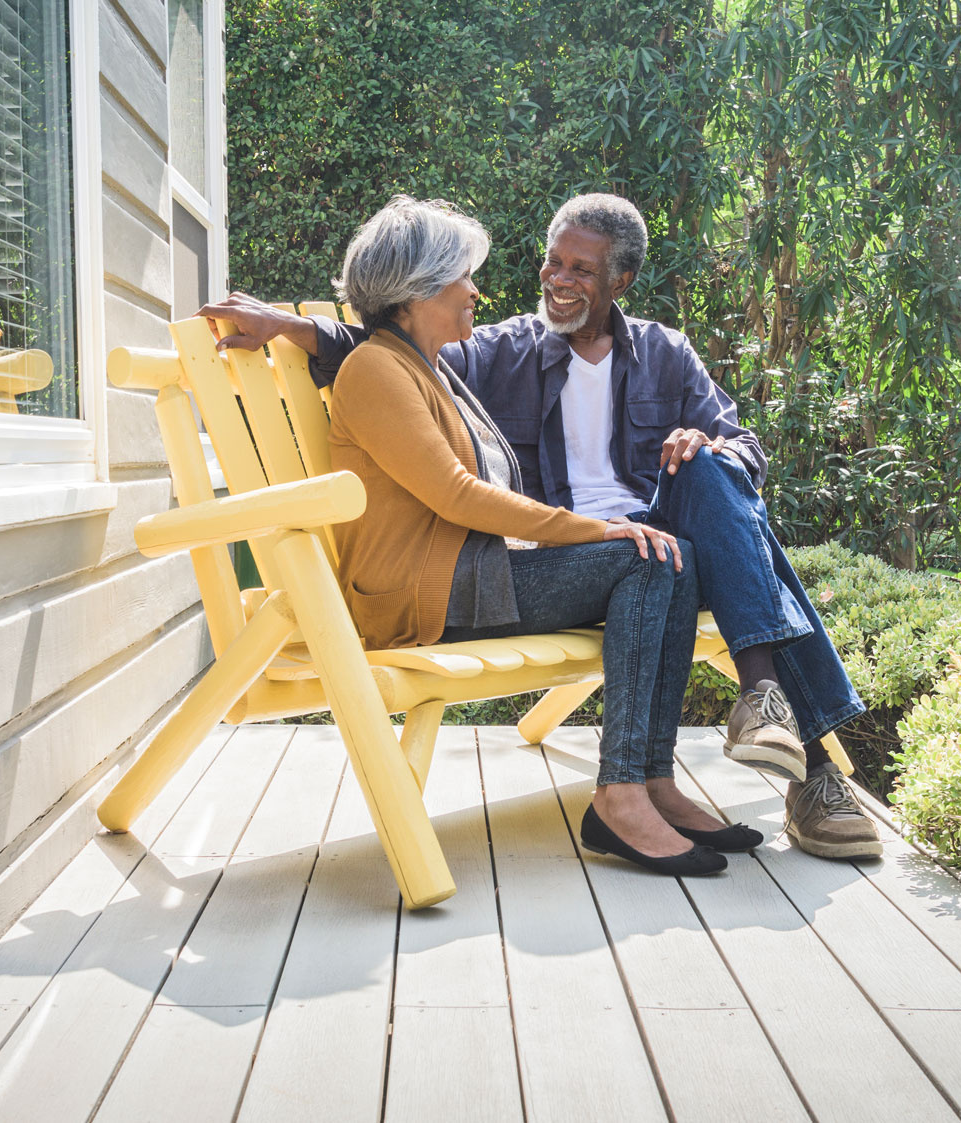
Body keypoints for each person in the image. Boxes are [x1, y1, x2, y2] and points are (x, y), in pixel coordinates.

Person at [200, 194, 882, 860]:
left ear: (623, 279)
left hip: (619, 534)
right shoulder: (485, 355)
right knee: (663, 554)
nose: (553, 279)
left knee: (710, 478)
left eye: (581, 269)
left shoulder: (665, 355)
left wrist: (707, 450)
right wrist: (290, 326)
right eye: (551, 262)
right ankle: (769, 766)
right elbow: (394, 366)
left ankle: (693, 748)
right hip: (506, 564)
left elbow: (745, 450)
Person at [320, 196, 761, 877]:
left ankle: (649, 780)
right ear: (415, 292)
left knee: (671, 556)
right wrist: (595, 530)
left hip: (470, 578)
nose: (477, 290)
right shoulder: (379, 370)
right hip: (425, 599)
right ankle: (620, 793)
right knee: (644, 558)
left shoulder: (430, 367)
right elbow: (457, 496)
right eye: (462, 277)